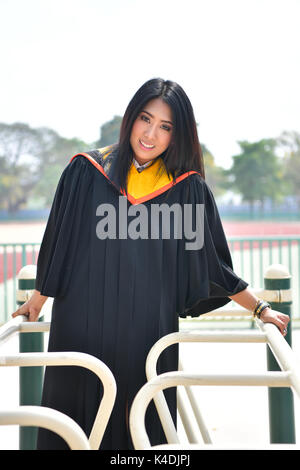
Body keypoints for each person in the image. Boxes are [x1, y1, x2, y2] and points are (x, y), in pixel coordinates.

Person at [12, 78, 289, 450]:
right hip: (82, 325)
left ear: (178, 135)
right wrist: (38, 299)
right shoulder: (85, 171)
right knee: (75, 425)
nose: (151, 133)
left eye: (165, 126)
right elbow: (62, 241)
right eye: (145, 118)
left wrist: (259, 307)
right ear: (130, 118)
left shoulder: (186, 189)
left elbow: (212, 265)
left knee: (141, 427)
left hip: (146, 332)